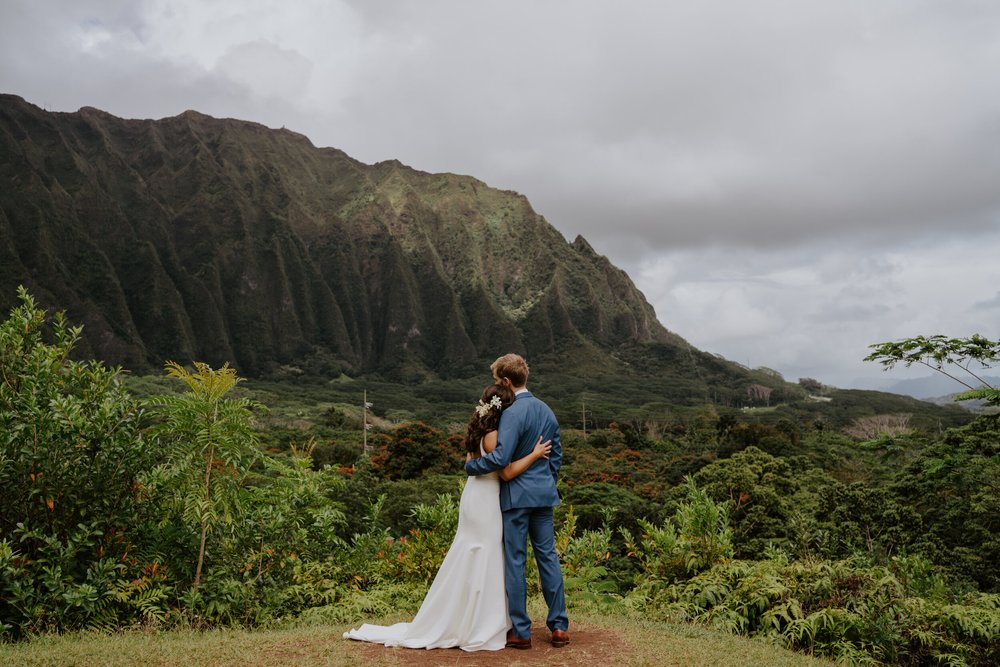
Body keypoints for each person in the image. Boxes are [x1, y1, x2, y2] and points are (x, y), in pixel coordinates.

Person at [343, 383, 551, 651]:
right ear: (503, 408)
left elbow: (474, 465)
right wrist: (534, 454)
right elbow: (507, 473)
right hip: (486, 500)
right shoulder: (493, 436)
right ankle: (479, 621)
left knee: (473, 552)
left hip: (476, 496)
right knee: (486, 554)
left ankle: (468, 616)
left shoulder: (479, 432)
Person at [465, 353, 569, 649]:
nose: (497, 386)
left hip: (516, 498)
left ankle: (521, 630)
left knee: (515, 561)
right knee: (548, 557)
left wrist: (470, 467)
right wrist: (544, 481)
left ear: (507, 382)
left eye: (498, 381)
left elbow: (500, 458)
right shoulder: (547, 410)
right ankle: (559, 626)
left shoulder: (511, 413)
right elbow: (557, 457)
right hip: (544, 495)